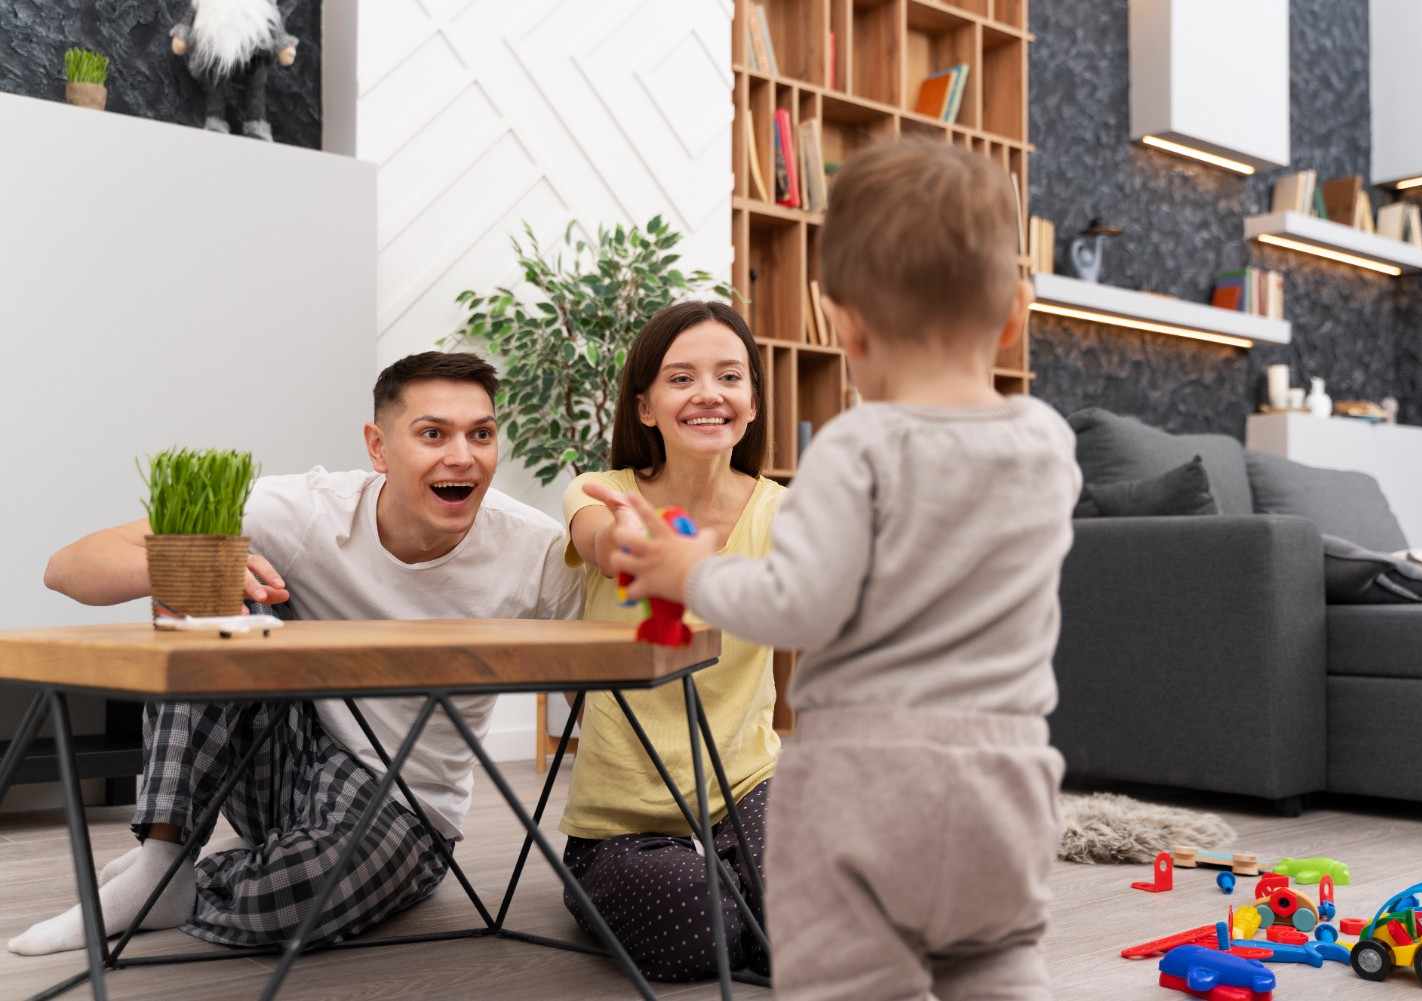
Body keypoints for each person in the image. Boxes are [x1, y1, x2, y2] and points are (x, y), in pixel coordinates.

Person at [601, 140, 1081, 1000]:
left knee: (851, 975)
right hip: (1011, 778)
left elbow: (800, 605)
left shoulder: (857, 447)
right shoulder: (1048, 443)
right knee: (998, 962)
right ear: (1015, 314)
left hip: (870, 780)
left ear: (842, 323)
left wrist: (693, 570)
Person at [11, 351, 581, 956]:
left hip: (404, 803)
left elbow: (593, 691)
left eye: (482, 434)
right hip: (278, 758)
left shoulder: (535, 549)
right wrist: (209, 565)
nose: (463, 456)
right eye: (433, 434)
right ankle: (164, 857)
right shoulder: (311, 511)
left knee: (290, 902)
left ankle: (189, 885)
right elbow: (67, 568)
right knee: (214, 585)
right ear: (379, 447)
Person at [559, 299, 784, 981]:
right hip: (622, 821)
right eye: (681, 378)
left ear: (750, 403)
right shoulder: (598, 492)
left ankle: (761, 902)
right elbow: (600, 540)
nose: (709, 393)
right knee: (698, 930)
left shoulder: (785, 513)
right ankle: (744, 906)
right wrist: (634, 543)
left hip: (747, 786)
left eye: (729, 377)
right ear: (646, 406)